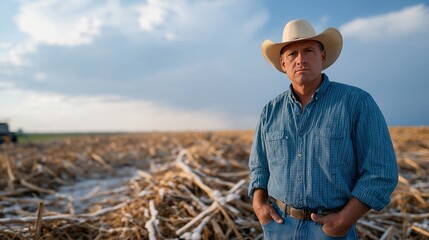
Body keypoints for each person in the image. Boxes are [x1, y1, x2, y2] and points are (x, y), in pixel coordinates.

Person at [248, 19, 398, 239]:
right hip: (279, 225)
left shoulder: (356, 103)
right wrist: (259, 204)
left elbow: (381, 171)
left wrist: (344, 220)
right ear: (283, 64)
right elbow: (259, 166)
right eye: (292, 54)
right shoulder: (270, 111)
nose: (300, 60)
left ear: (323, 57)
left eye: (309, 50)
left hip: (331, 228)